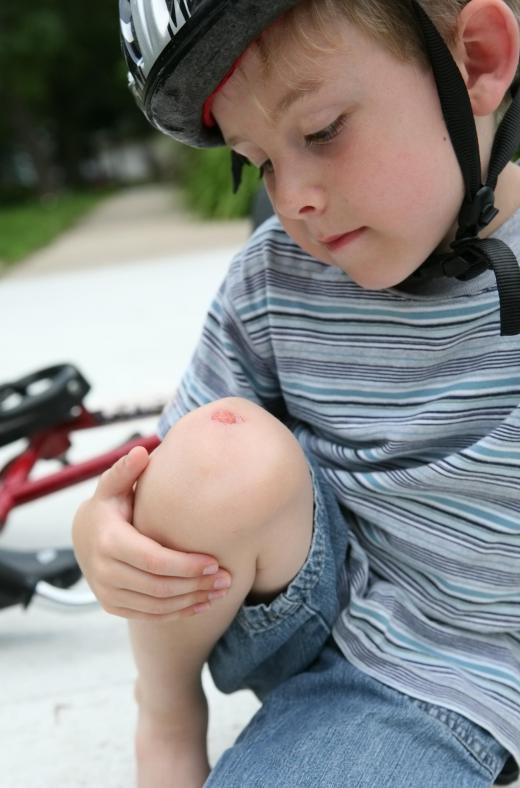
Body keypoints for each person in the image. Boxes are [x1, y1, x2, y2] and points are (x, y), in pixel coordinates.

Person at [73, 0, 520, 785]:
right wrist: (103, 530)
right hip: (344, 646)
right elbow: (168, 477)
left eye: (320, 131)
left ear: (478, 61)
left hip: (475, 663)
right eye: (261, 162)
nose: (293, 200)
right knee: (217, 451)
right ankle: (168, 710)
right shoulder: (276, 277)